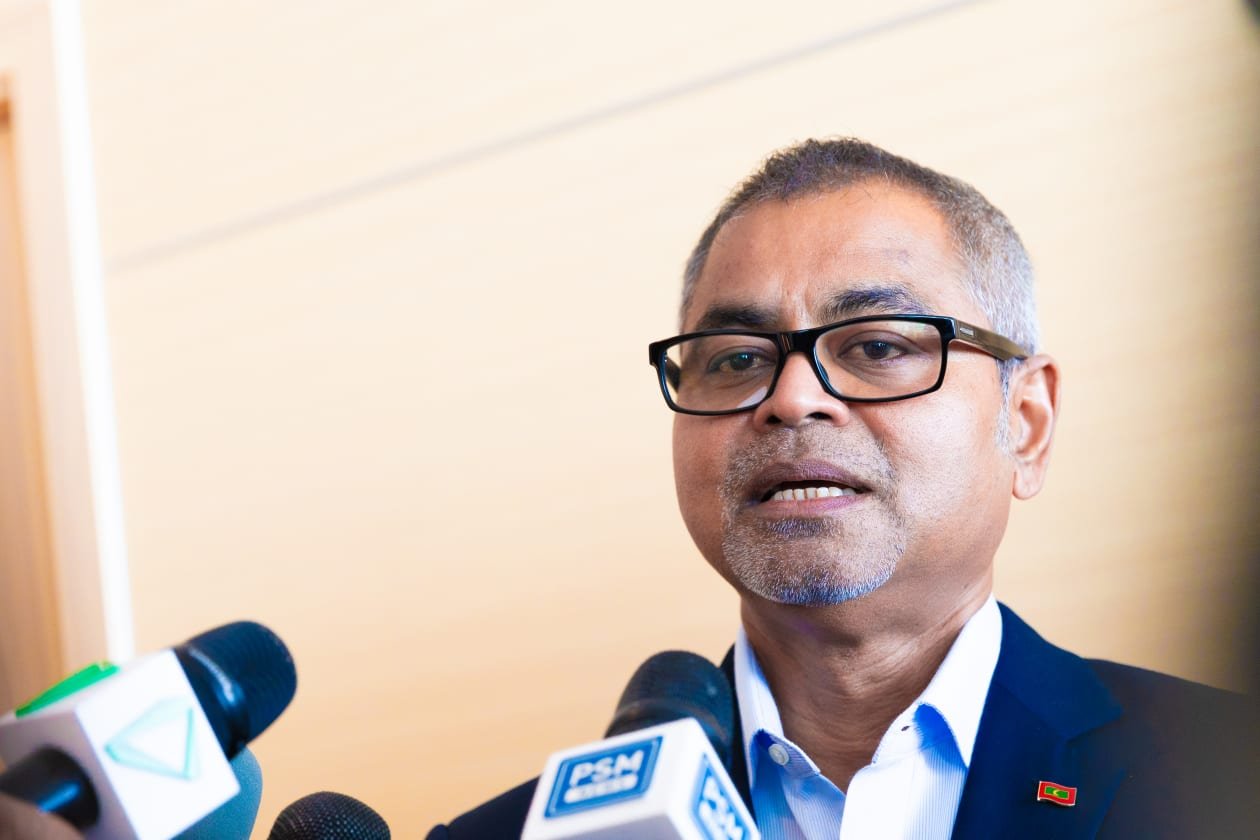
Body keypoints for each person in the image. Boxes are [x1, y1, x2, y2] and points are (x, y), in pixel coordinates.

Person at [427, 138, 1257, 838]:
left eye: (878, 347)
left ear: (1027, 422)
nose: (792, 399)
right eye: (737, 359)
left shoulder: (1228, 772)